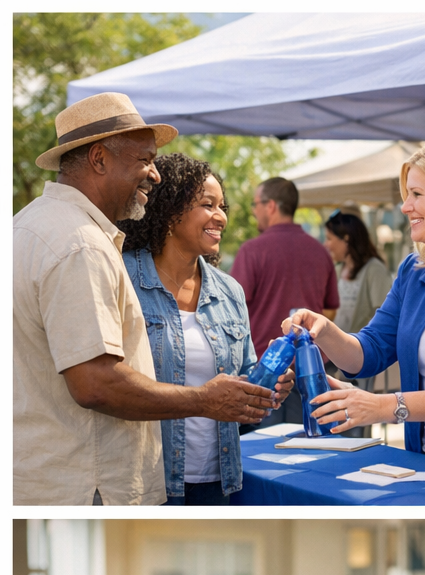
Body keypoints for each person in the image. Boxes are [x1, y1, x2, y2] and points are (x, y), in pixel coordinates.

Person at [13, 92, 276, 505]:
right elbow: (95, 384)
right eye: (144, 160)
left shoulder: (30, 225)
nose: (155, 174)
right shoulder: (80, 244)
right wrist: (203, 400)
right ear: (99, 159)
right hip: (86, 484)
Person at [286, 136, 425, 457]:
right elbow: (371, 350)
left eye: (417, 194)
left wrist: (383, 406)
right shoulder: (413, 272)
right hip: (422, 460)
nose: (405, 207)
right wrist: (324, 330)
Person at [120, 153, 293, 505]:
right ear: (171, 211)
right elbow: (108, 382)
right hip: (145, 480)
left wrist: (269, 386)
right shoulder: (123, 277)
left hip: (217, 481)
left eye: (222, 206)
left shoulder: (229, 291)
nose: (221, 217)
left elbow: (244, 378)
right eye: (207, 205)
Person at [230, 176, 339, 426]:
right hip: (311, 370)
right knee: (309, 442)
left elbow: (231, 310)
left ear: (270, 206)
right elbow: (330, 309)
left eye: (255, 204)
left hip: (267, 373)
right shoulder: (320, 251)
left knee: (263, 446)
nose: (254, 211)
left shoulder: (252, 251)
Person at [324, 210, 393, 335]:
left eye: (329, 239)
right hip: (337, 344)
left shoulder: (375, 269)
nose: (326, 245)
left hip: (362, 344)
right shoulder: (338, 269)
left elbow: (384, 314)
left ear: (346, 238)